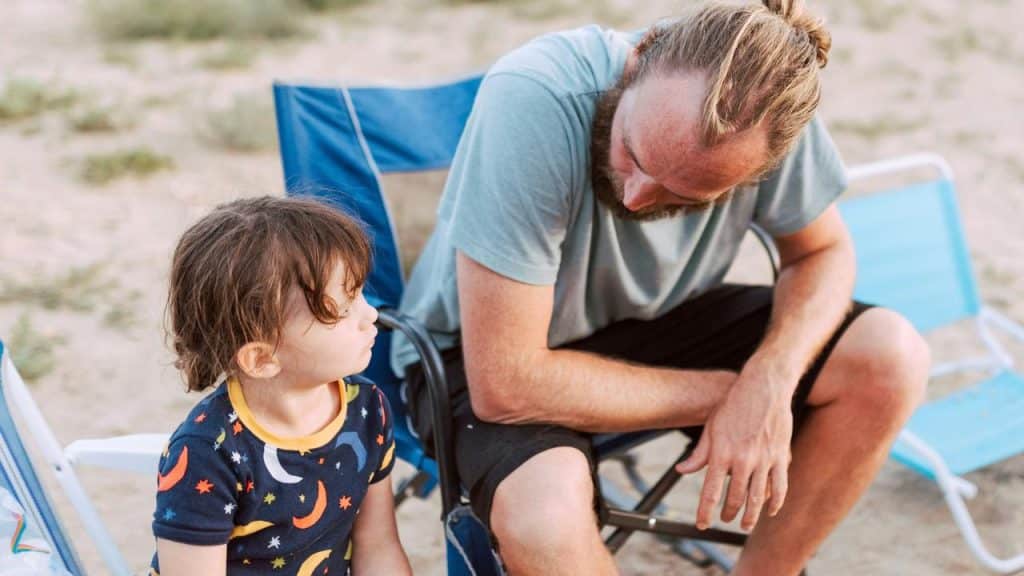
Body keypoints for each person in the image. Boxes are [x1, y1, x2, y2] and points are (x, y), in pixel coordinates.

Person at [394, 1, 931, 574]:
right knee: (542, 515)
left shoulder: (770, 117)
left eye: (684, 197)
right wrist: (737, 395)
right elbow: (505, 385)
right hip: (486, 353)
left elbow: (822, 252)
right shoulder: (536, 94)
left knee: (889, 358)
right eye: (633, 152)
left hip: (659, 318)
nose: (634, 197)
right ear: (639, 58)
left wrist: (771, 381)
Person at [150, 197, 411, 576]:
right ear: (261, 358)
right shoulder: (208, 454)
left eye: (359, 294)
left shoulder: (366, 408)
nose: (369, 315)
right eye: (342, 309)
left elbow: (379, 547)